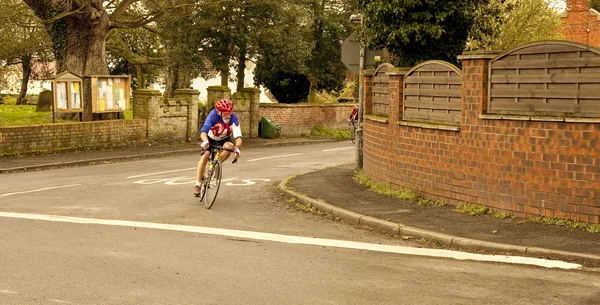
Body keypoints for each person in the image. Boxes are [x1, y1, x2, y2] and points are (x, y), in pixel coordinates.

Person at [194, 98, 242, 196]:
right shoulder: (213, 115)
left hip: (224, 139)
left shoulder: (233, 118)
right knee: (205, 155)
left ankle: (216, 165)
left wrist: (237, 148)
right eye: (225, 113)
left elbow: (238, 136)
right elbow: (203, 132)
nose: (228, 115)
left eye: (229, 112)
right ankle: (198, 184)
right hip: (210, 138)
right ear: (218, 112)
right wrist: (205, 141)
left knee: (229, 146)